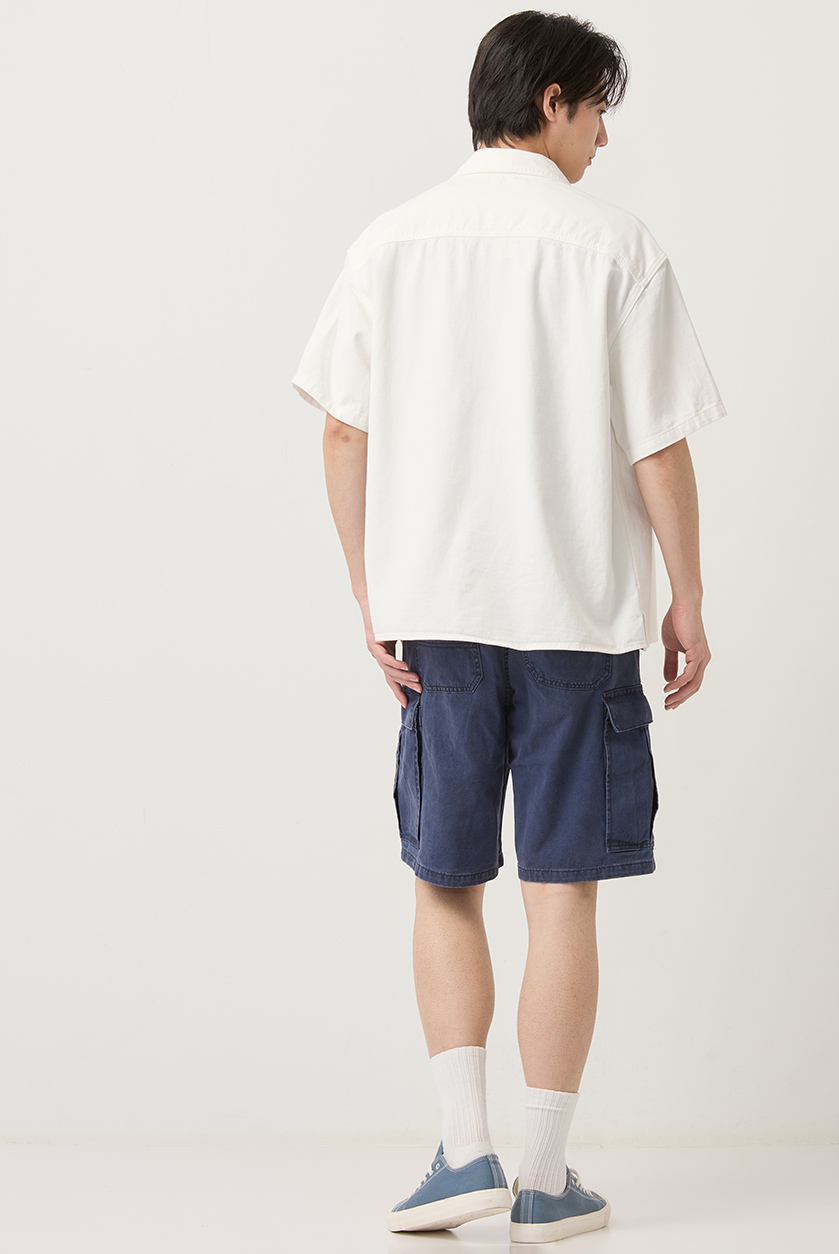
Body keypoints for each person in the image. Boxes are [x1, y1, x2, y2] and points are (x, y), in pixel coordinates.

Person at [291, 10, 726, 1244]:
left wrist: (371, 596)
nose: (603, 141)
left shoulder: (388, 242)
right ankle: (541, 1178)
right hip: (576, 615)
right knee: (561, 891)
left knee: (445, 882)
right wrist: (688, 595)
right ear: (551, 102)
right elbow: (656, 443)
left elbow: (341, 428)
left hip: (435, 614)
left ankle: (461, 1156)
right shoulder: (615, 246)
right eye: (598, 114)